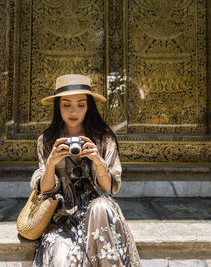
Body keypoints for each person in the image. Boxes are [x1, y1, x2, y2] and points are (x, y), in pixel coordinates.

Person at [31, 74, 141, 267]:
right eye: (67, 104)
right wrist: (51, 163)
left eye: (81, 104)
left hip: (100, 217)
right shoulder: (47, 140)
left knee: (100, 206)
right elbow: (45, 191)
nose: (74, 111)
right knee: (61, 258)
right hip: (63, 219)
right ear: (58, 106)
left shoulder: (104, 138)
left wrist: (97, 161)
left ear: (89, 106)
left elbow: (108, 188)